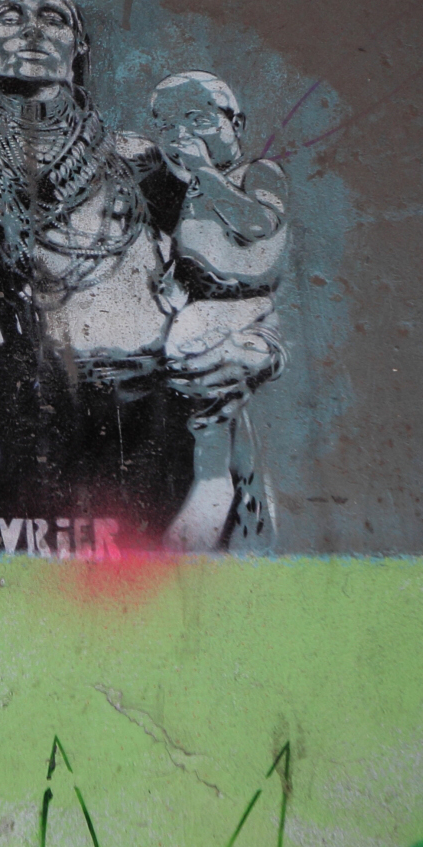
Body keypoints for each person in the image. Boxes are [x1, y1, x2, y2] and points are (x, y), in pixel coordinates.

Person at [0, 0, 285, 547]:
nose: (33, 30)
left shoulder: (138, 159)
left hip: (155, 411)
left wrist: (258, 346)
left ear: (78, 50)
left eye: (54, 18)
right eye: (8, 16)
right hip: (28, 416)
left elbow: (235, 262)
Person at [149, 71, 288, 551]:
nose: (181, 136)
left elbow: (259, 225)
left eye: (198, 119)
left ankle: (212, 501)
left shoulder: (257, 173)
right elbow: (194, 254)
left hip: (242, 314)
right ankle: (237, 498)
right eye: (167, 127)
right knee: (219, 430)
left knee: (214, 421)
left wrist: (205, 173)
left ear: (236, 124)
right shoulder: (191, 193)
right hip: (199, 317)